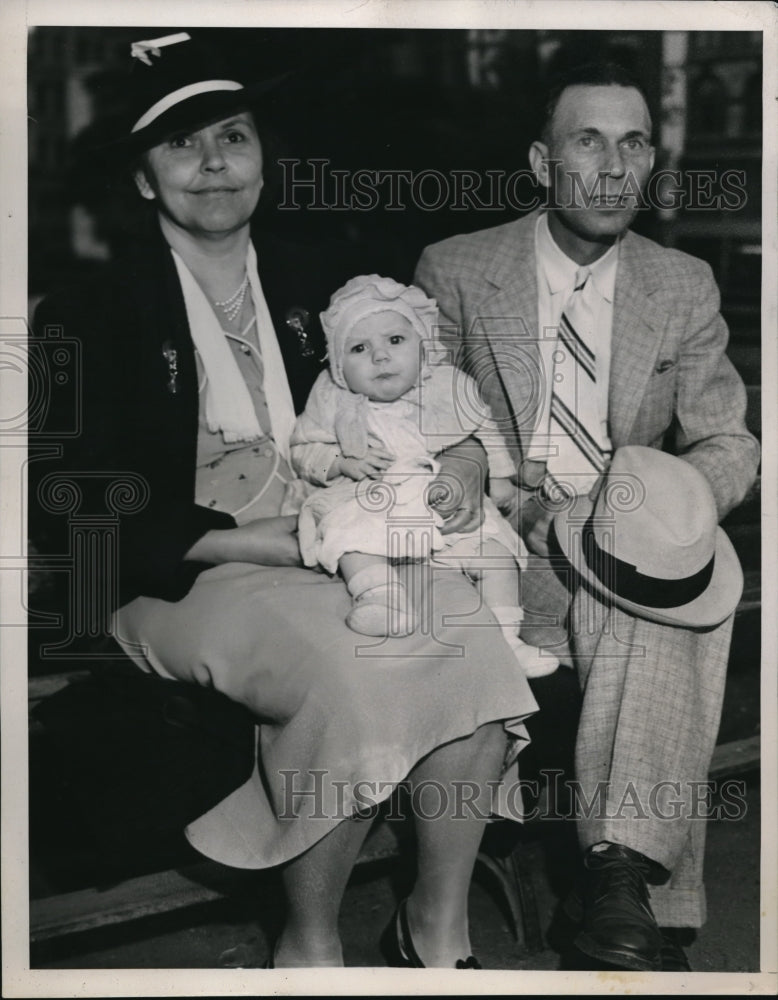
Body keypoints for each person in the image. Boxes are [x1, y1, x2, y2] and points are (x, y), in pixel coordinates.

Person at [30, 32, 539, 969]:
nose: (214, 163)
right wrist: (244, 544)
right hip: (189, 575)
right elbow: (72, 503)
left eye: (234, 136)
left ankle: (435, 922)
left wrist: (465, 454)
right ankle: (308, 948)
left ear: (264, 159)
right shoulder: (91, 309)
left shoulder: (322, 278)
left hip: (347, 545)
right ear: (144, 179)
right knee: (354, 669)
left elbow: (425, 385)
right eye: (182, 145)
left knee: (468, 639)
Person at [414, 61, 760, 972]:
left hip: (614, 539)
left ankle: (617, 881)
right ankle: (639, 896)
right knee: (659, 598)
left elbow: (730, 441)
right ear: (541, 161)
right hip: (495, 547)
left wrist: (665, 510)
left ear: (651, 164)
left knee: (654, 575)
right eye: (587, 141)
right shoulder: (454, 269)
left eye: (634, 142)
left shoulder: (680, 285)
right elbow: (420, 432)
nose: (613, 167)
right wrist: (511, 501)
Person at [288, 273, 557, 677]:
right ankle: (381, 600)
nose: (380, 357)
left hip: (442, 501)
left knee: (496, 554)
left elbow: (483, 427)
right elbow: (302, 448)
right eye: (359, 348)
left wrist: (499, 480)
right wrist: (340, 463)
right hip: (370, 497)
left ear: (424, 346)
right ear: (339, 364)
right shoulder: (331, 397)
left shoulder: (447, 385)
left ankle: (507, 640)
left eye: (395, 341)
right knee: (349, 539)